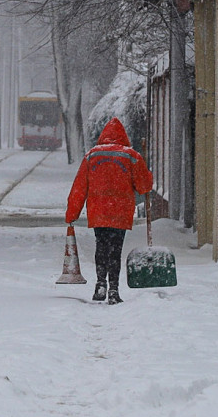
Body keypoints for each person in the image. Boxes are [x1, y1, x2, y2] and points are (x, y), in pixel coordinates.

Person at [65, 117, 153, 304]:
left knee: (101, 246)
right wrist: (148, 174)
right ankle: (113, 289)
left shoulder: (92, 156)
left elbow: (79, 187)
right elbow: (144, 187)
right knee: (115, 250)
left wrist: (72, 213)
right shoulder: (131, 156)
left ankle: (100, 284)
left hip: (99, 212)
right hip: (120, 212)